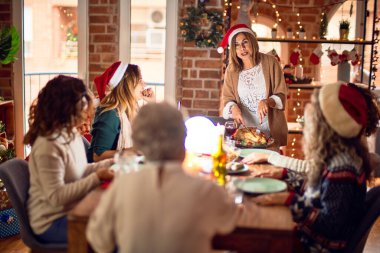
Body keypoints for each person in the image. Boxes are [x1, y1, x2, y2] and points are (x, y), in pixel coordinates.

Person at [242, 82, 380, 253]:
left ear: (328, 125)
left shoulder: (343, 167)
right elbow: (319, 189)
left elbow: (329, 224)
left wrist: (289, 200)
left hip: (315, 246)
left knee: (253, 235)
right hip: (311, 239)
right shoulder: (342, 154)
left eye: (315, 112)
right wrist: (285, 174)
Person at [86, 102, 241, 253]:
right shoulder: (207, 190)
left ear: (139, 144)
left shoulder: (122, 186)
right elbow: (229, 226)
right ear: (183, 141)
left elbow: (100, 242)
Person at [25, 75, 115, 243]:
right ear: (66, 108)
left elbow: (80, 170)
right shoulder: (48, 145)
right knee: (114, 235)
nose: (86, 114)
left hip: (73, 210)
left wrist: (112, 162)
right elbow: (57, 196)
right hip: (51, 221)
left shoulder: (70, 133)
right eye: (82, 107)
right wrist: (97, 177)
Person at [219, 24, 288, 146]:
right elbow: (228, 98)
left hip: (270, 132)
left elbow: (281, 94)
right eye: (237, 45)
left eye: (245, 42)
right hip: (244, 133)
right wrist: (233, 108)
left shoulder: (270, 62)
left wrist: (266, 101)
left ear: (252, 42)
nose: (242, 48)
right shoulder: (231, 70)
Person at [87, 61, 155, 162]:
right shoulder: (110, 114)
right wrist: (131, 152)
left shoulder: (131, 109)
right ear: (127, 84)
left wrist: (152, 103)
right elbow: (97, 156)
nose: (144, 84)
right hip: (106, 173)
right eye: (140, 80)